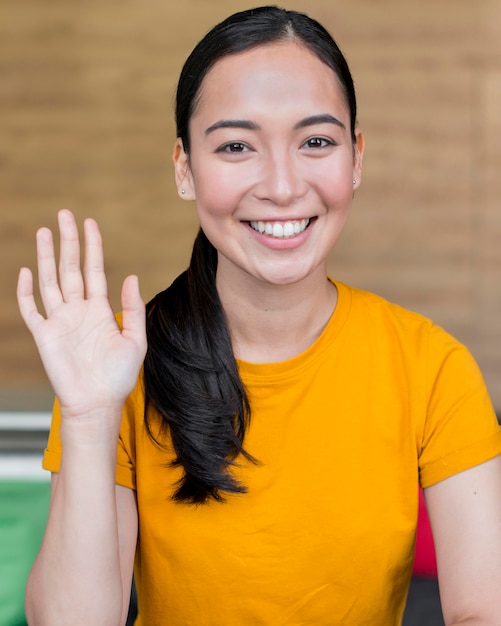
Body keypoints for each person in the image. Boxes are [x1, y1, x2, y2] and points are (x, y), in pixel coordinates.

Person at [17, 6, 501, 626]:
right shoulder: (119, 366)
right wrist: (89, 417)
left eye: (316, 142)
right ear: (185, 167)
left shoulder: (432, 368)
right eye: (237, 145)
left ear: (356, 157)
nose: (280, 185)